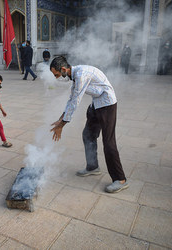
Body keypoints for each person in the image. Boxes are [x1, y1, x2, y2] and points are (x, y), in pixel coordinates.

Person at [49, 56, 128, 193]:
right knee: (88, 135)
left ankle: (120, 179)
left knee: (108, 142)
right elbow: (71, 98)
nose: (56, 78)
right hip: (96, 104)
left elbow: (75, 101)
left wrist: (62, 125)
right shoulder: (75, 76)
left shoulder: (81, 75)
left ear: (63, 69)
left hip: (107, 104)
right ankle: (92, 166)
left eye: (56, 74)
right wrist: (61, 118)